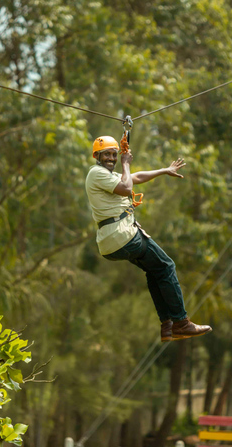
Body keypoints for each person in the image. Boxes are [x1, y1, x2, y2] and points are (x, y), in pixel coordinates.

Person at [85, 135, 212, 342]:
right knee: (167, 266)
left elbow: (135, 178)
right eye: (107, 154)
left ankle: (167, 327)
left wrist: (164, 170)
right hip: (124, 235)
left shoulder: (106, 175)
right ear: (97, 156)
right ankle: (181, 322)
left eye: (114, 155)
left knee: (155, 271)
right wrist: (126, 163)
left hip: (111, 243)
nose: (111, 158)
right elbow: (127, 187)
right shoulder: (96, 173)